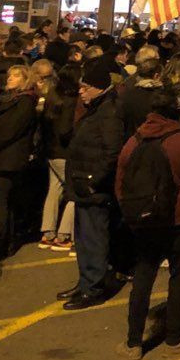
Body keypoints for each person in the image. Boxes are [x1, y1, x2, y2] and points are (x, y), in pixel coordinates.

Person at [115, 92, 180, 359]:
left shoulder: (134, 141)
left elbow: (120, 183)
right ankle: (174, 339)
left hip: (146, 222)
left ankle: (134, 342)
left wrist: (132, 214)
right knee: (179, 280)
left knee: (143, 278)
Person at [61, 61, 125, 310]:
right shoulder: (96, 108)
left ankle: (94, 286)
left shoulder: (108, 112)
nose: (81, 91)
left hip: (93, 189)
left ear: (99, 88)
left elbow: (112, 153)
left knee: (93, 237)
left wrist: (92, 182)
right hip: (84, 185)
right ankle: (85, 281)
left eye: (86, 87)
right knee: (84, 238)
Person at [0, 64, 38, 258]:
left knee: (0, 201)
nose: (10, 79)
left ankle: (0, 244)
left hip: (9, 159)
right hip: (6, 157)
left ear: (25, 80)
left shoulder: (24, 102)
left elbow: (8, 131)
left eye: (15, 76)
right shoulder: (14, 100)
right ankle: (6, 241)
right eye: (9, 75)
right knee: (6, 201)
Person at [39, 65, 78, 251]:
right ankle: (64, 235)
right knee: (73, 191)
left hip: (50, 151)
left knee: (54, 189)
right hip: (64, 152)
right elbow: (65, 130)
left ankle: (48, 231)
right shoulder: (70, 100)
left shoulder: (51, 97)